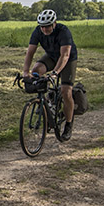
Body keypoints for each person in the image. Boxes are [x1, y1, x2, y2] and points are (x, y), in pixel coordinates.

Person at [21, 8, 79, 141]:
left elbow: (65, 55)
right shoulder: (37, 32)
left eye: (48, 27)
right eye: (42, 27)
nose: (45, 30)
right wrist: (25, 72)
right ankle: (46, 101)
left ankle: (69, 124)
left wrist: (55, 73)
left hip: (68, 59)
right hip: (52, 56)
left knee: (66, 91)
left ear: (54, 24)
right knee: (36, 70)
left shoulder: (63, 31)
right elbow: (30, 52)